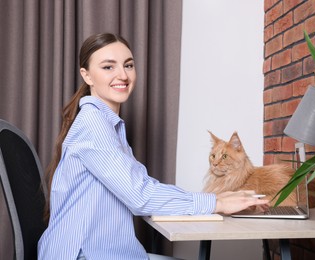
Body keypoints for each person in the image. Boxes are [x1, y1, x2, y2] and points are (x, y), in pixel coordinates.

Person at [38, 33, 269, 260]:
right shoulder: (94, 125)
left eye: (128, 65)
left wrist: (215, 198)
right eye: (108, 67)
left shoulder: (109, 126)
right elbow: (140, 196)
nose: (123, 75)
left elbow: (144, 186)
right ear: (87, 76)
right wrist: (216, 203)